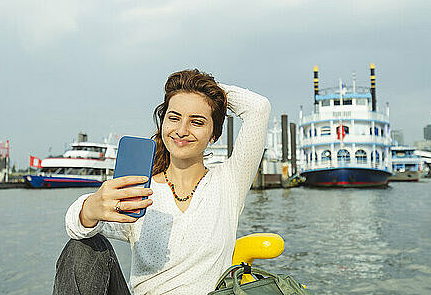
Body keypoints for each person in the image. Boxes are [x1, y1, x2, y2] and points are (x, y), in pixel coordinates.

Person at [53, 68, 271, 295]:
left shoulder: (229, 183)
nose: (182, 130)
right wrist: (89, 210)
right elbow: (74, 226)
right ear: (163, 123)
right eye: (174, 118)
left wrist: (206, 90)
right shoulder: (138, 190)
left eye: (196, 122)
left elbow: (259, 108)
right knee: (81, 247)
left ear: (213, 134)